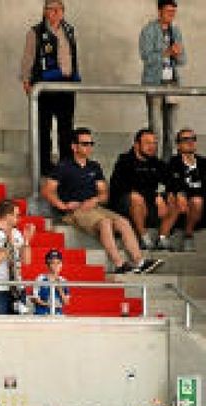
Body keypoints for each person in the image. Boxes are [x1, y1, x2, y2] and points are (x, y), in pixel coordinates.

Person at [41, 127, 162, 275]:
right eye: (85, 144)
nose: (89, 147)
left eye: (91, 143)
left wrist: (95, 200)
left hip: (94, 207)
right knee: (105, 223)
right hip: (76, 211)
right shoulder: (64, 166)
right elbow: (47, 190)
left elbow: (104, 193)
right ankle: (119, 264)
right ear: (74, 146)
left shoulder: (94, 166)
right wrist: (63, 206)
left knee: (123, 222)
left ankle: (140, 262)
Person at [22, 0, 80, 176]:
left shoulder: (69, 30)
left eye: (59, 9)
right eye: (51, 9)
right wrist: (26, 81)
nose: (55, 12)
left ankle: (65, 166)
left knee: (66, 129)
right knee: (43, 128)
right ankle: (44, 168)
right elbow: (28, 57)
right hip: (45, 86)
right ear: (45, 11)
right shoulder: (36, 32)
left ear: (63, 11)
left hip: (66, 86)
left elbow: (72, 55)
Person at [109, 129, 178, 251]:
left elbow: (172, 182)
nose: (152, 147)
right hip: (125, 207)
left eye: (154, 143)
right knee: (136, 197)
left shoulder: (156, 163)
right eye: (147, 143)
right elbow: (122, 187)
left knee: (176, 198)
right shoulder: (124, 161)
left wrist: (166, 196)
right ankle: (143, 238)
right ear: (136, 145)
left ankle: (163, 238)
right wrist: (155, 196)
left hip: (148, 206)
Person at [140, 0, 186, 157]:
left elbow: (183, 60)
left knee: (171, 128)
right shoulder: (148, 30)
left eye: (174, 12)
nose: (171, 15)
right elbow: (146, 57)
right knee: (156, 128)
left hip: (172, 83)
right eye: (168, 11)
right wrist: (166, 53)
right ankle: (153, 163)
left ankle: (167, 165)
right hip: (154, 82)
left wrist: (178, 54)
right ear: (159, 11)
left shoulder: (176, 31)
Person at [0, 199, 33, 316]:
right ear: (8, 216)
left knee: (19, 329)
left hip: (18, 288)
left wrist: (27, 241)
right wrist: (9, 245)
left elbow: (27, 261)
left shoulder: (17, 233)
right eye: (17, 215)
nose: (19, 219)